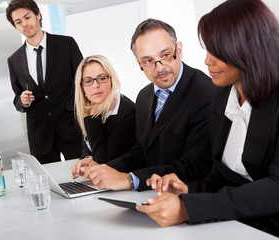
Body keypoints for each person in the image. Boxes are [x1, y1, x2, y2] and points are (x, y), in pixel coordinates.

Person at [137, 1, 279, 239]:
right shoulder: (222, 97)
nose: (207, 61)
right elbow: (222, 177)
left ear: (249, 47)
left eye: (217, 51)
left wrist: (189, 208)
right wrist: (187, 190)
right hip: (234, 226)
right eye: (207, 50)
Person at [72, 19, 216, 191]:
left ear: (179, 50)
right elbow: (141, 151)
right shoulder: (144, 96)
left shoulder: (206, 94)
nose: (160, 67)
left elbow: (193, 166)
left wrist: (131, 179)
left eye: (165, 55)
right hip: (149, 194)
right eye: (148, 61)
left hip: (186, 198)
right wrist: (104, 170)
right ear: (138, 63)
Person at [6, 0, 83, 164]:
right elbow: (17, 99)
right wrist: (22, 101)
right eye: (18, 22)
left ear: (38, 15)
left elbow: (83, 82)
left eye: (27, 17)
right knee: (47, 184)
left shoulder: (66, 44)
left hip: (71, 126)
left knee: (85, 176)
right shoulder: (14, 60)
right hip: (40, 135)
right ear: (15, 26)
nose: (24, 24)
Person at [73, 55, 136, 165]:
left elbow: (104, 162)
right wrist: (87, 157)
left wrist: (93, 119)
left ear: (112, 80)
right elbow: (88, 147)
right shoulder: (92, 107)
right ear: (82, 87)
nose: (96, 85)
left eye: (102, 78)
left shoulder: (127, 112)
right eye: (88, 81)